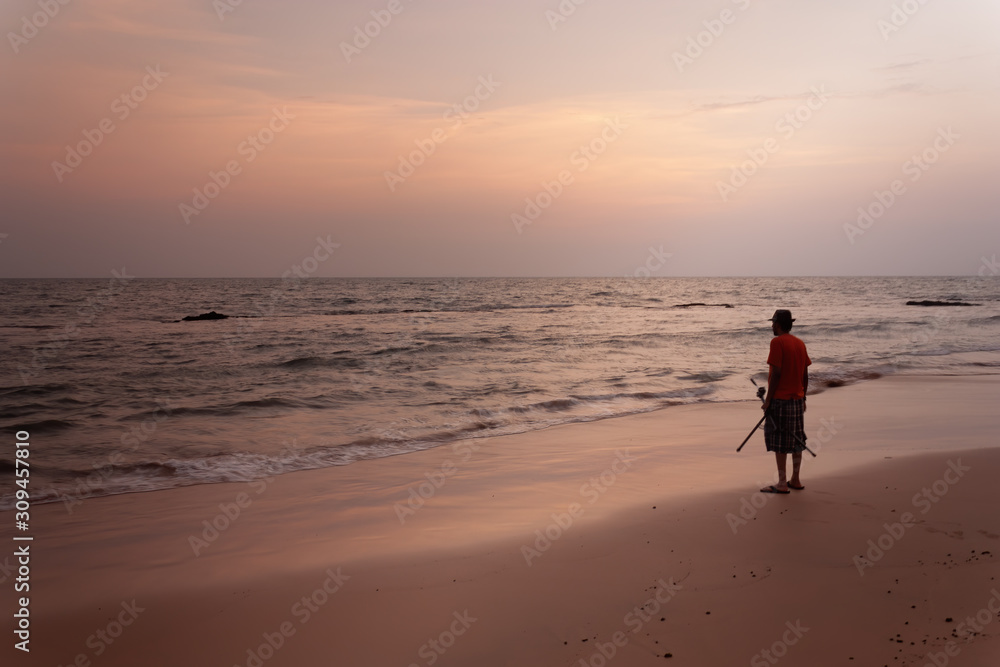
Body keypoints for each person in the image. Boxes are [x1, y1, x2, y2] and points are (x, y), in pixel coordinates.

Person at [759, 309, 810, 494]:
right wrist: (803, 397)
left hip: (780, 400)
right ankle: (795, 479)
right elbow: (805, 374)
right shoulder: (799, 343)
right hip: (796, 399)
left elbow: (777, 374)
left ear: (778, 324)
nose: (772, 325)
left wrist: (768, 400)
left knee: (779, 440)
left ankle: (781, 483)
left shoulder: (777, 342)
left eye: (773, 322)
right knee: (797, 439)